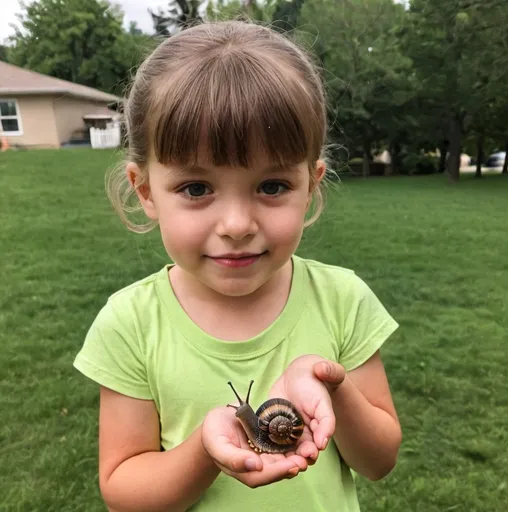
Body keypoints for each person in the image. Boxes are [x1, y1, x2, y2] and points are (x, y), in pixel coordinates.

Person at [73, 19, 402, 512]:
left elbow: (379, 461)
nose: (236, 224)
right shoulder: (130, 324)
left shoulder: (343, 299)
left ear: (311, 185)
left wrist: (335, 387)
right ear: (145, 190)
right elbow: (124, 492)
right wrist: (205, 450)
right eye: (196, 188)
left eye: (271, 186)